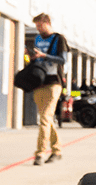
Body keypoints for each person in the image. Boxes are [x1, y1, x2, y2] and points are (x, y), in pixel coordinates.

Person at [27, 13, 69, 165]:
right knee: (47, 119)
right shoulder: (38, 39)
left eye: (39, 26)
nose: (38, 29)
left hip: (53, 82)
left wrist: (44, 55)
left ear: (47, 23)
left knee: (44, 118)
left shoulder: (59, 39)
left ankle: (40, 154)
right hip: (40, 82)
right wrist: (33, 56)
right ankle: (57, 150)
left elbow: (63, 60)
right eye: (36, 26)